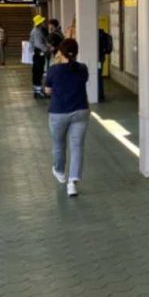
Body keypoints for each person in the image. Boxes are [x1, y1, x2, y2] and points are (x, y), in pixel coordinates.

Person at [43, 38, 89, 197]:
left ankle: (60, 171)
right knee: (77, 147)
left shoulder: (53, 70)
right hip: (81, 112)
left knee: (58, 145)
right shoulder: (83, 68)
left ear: (61, 53)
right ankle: (72, 183)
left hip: (58, 113)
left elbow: (47, 91)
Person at [29, 14, 51, 98]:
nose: (44, 23)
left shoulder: (36, 30)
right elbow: (38, 44)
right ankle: (38, 91)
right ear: (40, 23)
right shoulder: (37, 31)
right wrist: (47, 49)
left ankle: (37, 90)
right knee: (38, 72)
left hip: (37, 54)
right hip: (38, 53)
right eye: (42, 22)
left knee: (37, 72)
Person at [97, 26, 113, 102]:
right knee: (99, 76)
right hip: (101, 59)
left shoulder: (96, 35)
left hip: (97, 59)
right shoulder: (103, 34)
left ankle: (99, 95)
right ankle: (101, 95)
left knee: (98, 76)